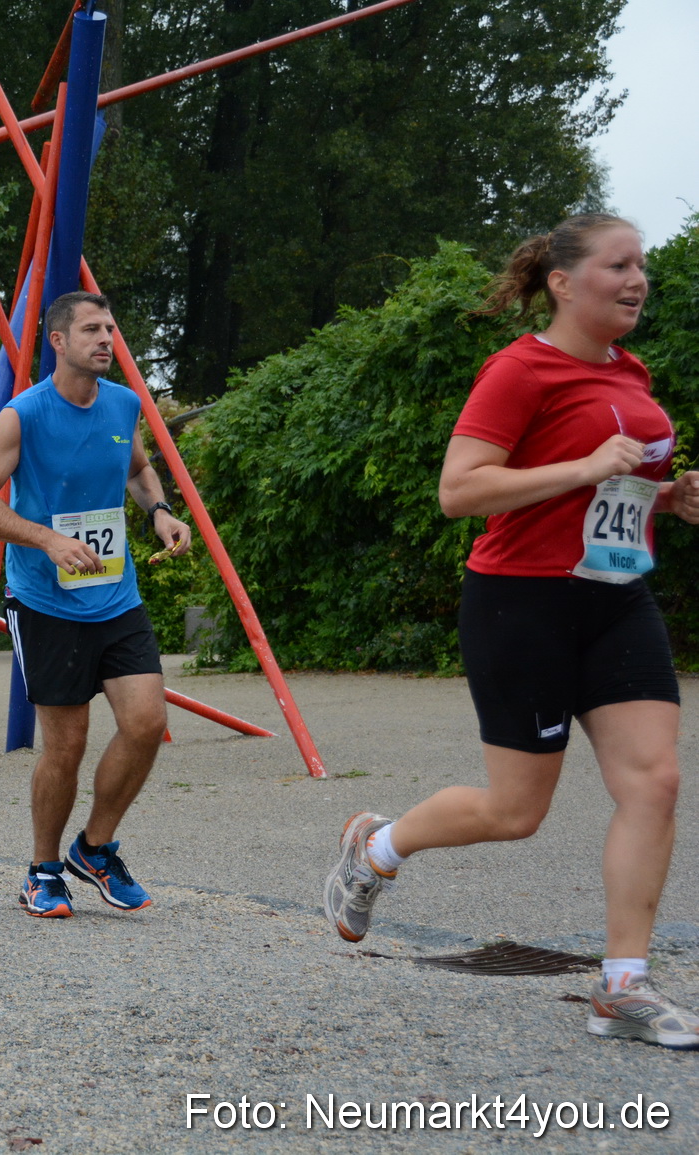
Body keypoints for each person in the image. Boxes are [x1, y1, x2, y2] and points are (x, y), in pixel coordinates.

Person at [323, 214, 699, 1049]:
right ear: (563, 282)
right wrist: (586, 466)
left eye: (642, 265)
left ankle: (624, 985)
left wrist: (666, 499)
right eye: (618, 265)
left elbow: (610, 497)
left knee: (656, 781)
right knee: (515, 810)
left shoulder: (632, 374)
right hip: (520, 602)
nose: (638, 279)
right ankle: (375, 845)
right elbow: (460, 490)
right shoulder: (519, 368)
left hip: (616, 598)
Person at [0, 291, 192, 919]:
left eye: (111, 329)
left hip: (116, 595)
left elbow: (138, 468)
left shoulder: (123, 404)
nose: (106, 340)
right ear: (57, 341)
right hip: (44, 603)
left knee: (146, 723)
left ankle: (94, 848)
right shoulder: (24, 415)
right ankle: (42, 869)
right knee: (66, 743)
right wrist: (48, 539)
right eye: (92, 329)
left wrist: (160, 511)